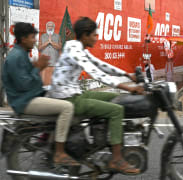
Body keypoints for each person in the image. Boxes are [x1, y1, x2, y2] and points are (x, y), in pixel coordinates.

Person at [48, 17, 142, 174]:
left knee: (114, 97)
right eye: (94, 35)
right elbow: (95, 72)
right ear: (85, 36)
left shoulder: (78, 47)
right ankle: (116, 159)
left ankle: (105, 140)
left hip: (75, 93)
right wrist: (127, 87)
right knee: (116, 110)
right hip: (68, 99)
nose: (96, 38)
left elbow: (100, 64)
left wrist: (127, 75)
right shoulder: (74, 49)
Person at [1, 22, 78, 166]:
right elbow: (24, 84)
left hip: (28, 97)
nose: (35, 40)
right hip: (24, 102)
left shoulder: (21, 53)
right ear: (23, 39)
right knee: (67, 108)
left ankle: (47, 140)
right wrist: (38, 68)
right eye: (32, 37)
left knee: (60, 96)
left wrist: (37, 69)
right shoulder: (15, 57)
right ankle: (59, 152)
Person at [38, 21, 62, 86]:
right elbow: (39, 48)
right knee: (44, 80)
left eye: (51, 26)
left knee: (52, 80)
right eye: (48, 26)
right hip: (44, 61)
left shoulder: (57, 36)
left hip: (54, 60)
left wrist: (52, 42)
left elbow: (59, 47)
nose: (50, 28)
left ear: (53, 27)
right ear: (46, 27)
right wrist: (46, 43)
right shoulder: (42, 36)